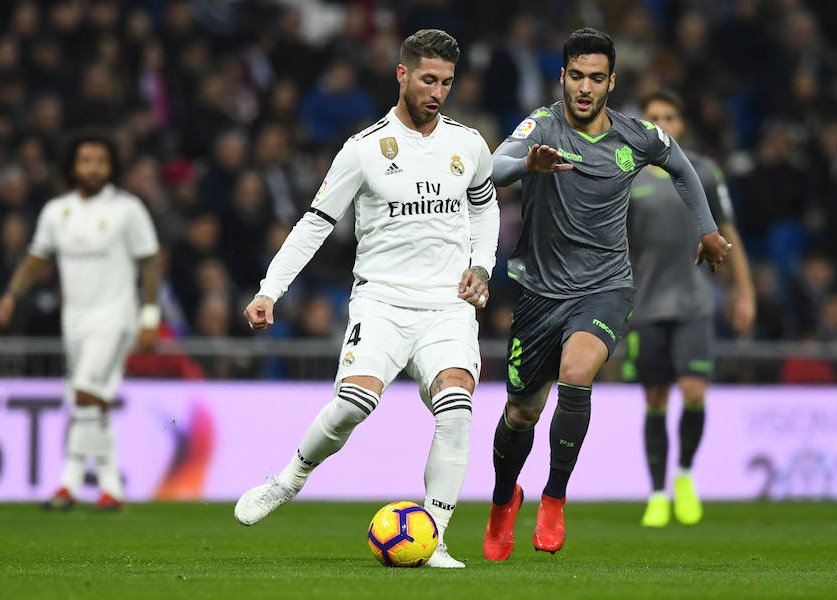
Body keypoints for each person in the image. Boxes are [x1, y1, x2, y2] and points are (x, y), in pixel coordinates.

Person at [234, 29, 499, 569]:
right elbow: (315, 223)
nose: (437, 92)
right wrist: (269, 290)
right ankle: (289, 479)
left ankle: (435, 537)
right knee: (353, 406)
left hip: (448, 304)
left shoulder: (468, 144)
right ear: (401, 74)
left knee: (456, 410)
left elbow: (485, 208)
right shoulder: (363, 150)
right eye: (428, 79)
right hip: (381, 301)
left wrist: (481, 264)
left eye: (446, 82)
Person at [482, 28, 731, 558]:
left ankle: (554, 498)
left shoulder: (634, 135)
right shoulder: (541, 126)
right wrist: (526, 164)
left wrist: (707, 230)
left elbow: (683, 167)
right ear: (563, 78)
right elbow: (493, 166)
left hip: (606, 287)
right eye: (577, 76)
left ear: (612, 82)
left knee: (577, 374)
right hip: (540, 293)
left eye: (597, 78)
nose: (585, 87)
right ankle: (505, 500)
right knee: (521, 412)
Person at [0, 133, 160, 510]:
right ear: (73, 166)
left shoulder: (127, 209)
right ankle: (111, 485)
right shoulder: (56, 211)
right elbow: (36, 258)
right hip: (75, 321)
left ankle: (68, 483)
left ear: (111, 165)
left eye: (100, 160)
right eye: (86, 160)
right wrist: (10, 296)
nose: (93, 167)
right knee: (89, 400)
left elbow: (149, 261)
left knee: (84, 389)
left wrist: (149, 316)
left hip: (116, 316)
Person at [625, 89, 756, 527]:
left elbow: (729, 233)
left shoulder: (703, 171)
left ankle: (683, 475)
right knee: (655, 398)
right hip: (644, 305)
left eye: (669, 116)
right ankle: (658, 493)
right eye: (653, 116)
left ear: (681, 124)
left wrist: (745, 292)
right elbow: (615, 246)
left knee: (694, 392)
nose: (661, 123)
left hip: (695, 301)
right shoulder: (629, 176)